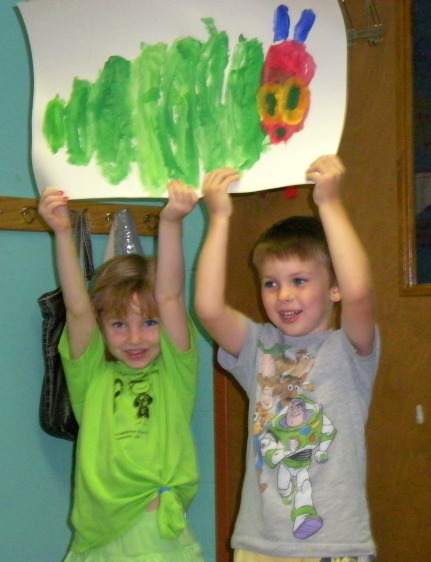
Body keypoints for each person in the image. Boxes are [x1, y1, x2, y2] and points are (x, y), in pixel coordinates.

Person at [195, 155, 379, 562]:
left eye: (299, 280)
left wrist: (330, 204)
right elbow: (208, 308)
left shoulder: (348, 349)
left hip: (334, 547)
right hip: (259, 545)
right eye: (271, 283)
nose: (284, 295)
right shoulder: (257, 348)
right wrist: (219, 218)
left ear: (334, 289)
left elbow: (360, 292)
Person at [38, 181, 204, 562]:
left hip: (157, 541)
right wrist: (62, 231)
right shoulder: (92, 375)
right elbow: (78, 309)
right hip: (96, 540)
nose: (134, 338)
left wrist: (171, 222)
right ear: (101, 328)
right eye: (117, 325)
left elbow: (170, 296)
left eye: (148, 323)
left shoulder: (175, 372)